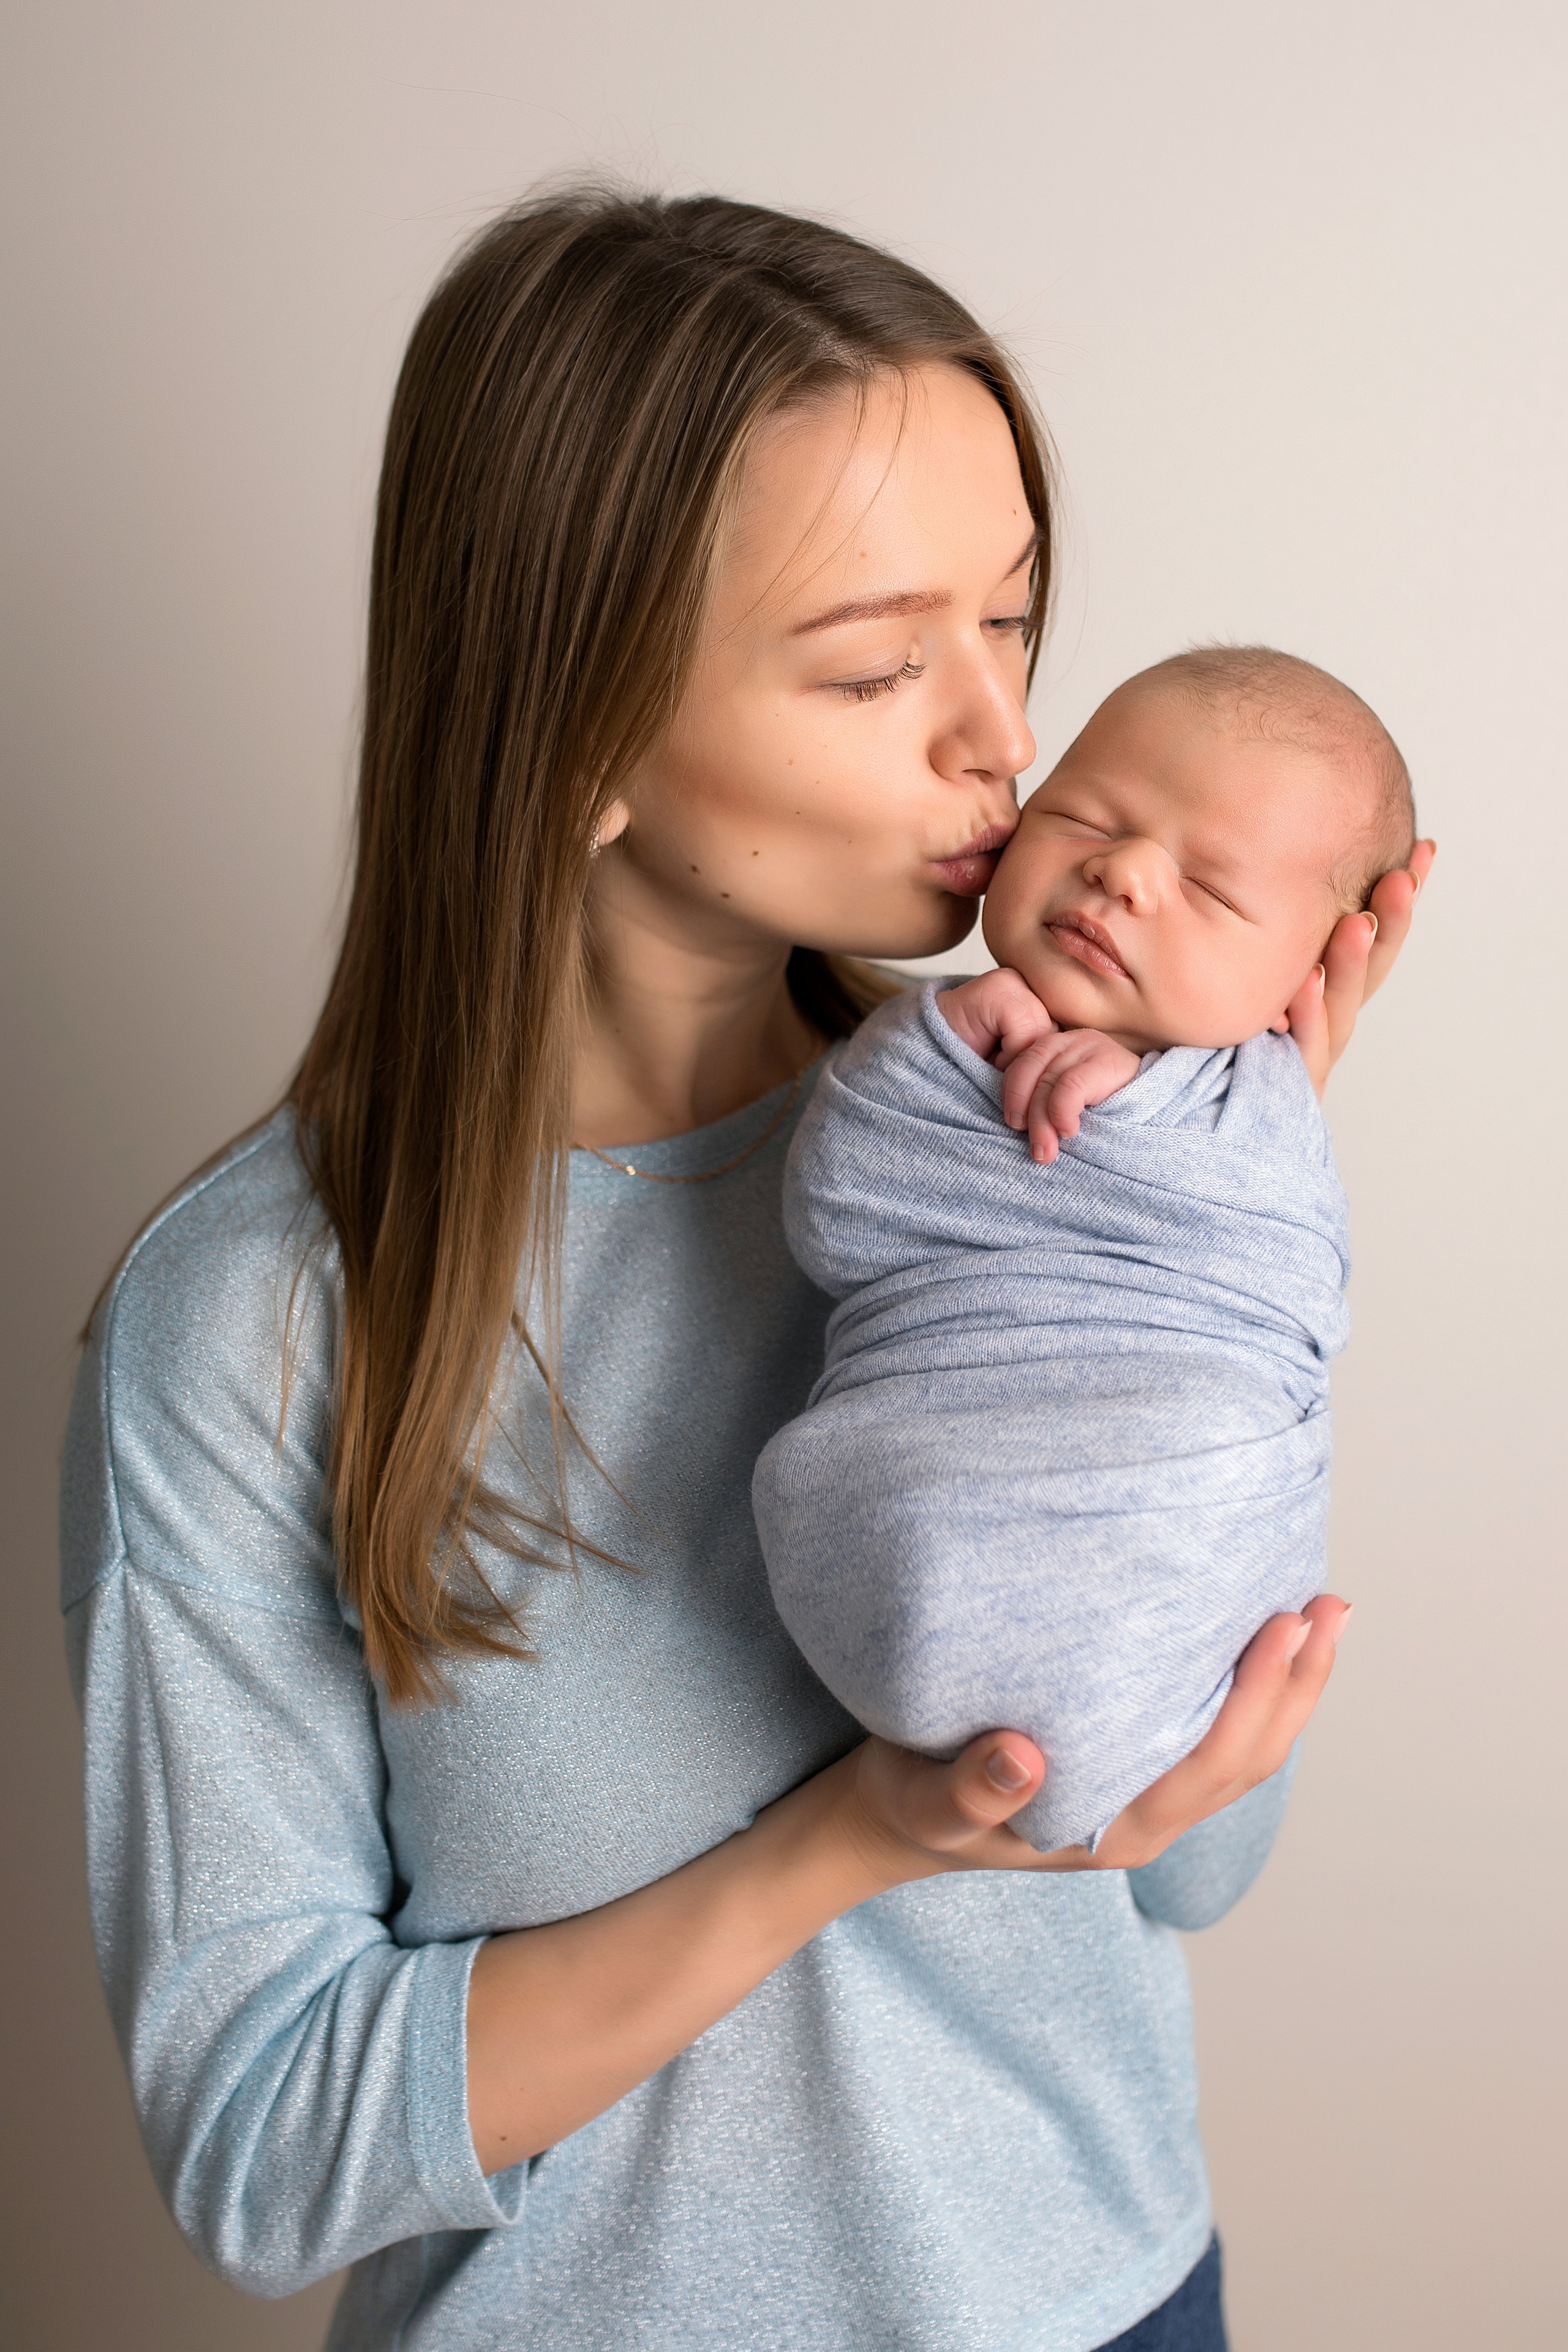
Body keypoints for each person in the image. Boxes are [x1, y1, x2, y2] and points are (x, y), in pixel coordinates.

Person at [60, 189, 1431, 2351]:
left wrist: (1214, 1248)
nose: (1007, 745)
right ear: (581, 720)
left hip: (1114, 2309)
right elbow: (258, 2151)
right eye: (884, 662)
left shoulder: (1039, 1154)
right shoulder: (256, 1322)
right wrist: (847, 1844)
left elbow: (1190, 1862)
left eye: (1017, 621)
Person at [756, 648, 1416, 1855]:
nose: (1119, 874)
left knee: (1211, 1441)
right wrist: (939, 1039)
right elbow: (841, 1215)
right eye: (1083, 818)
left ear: (1303, 981)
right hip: (903, 1518)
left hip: (1181, 1567)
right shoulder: (922, 1046)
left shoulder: (1262, 1121)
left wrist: (1163, 1106)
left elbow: (1277, 1293)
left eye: (1210, 891)